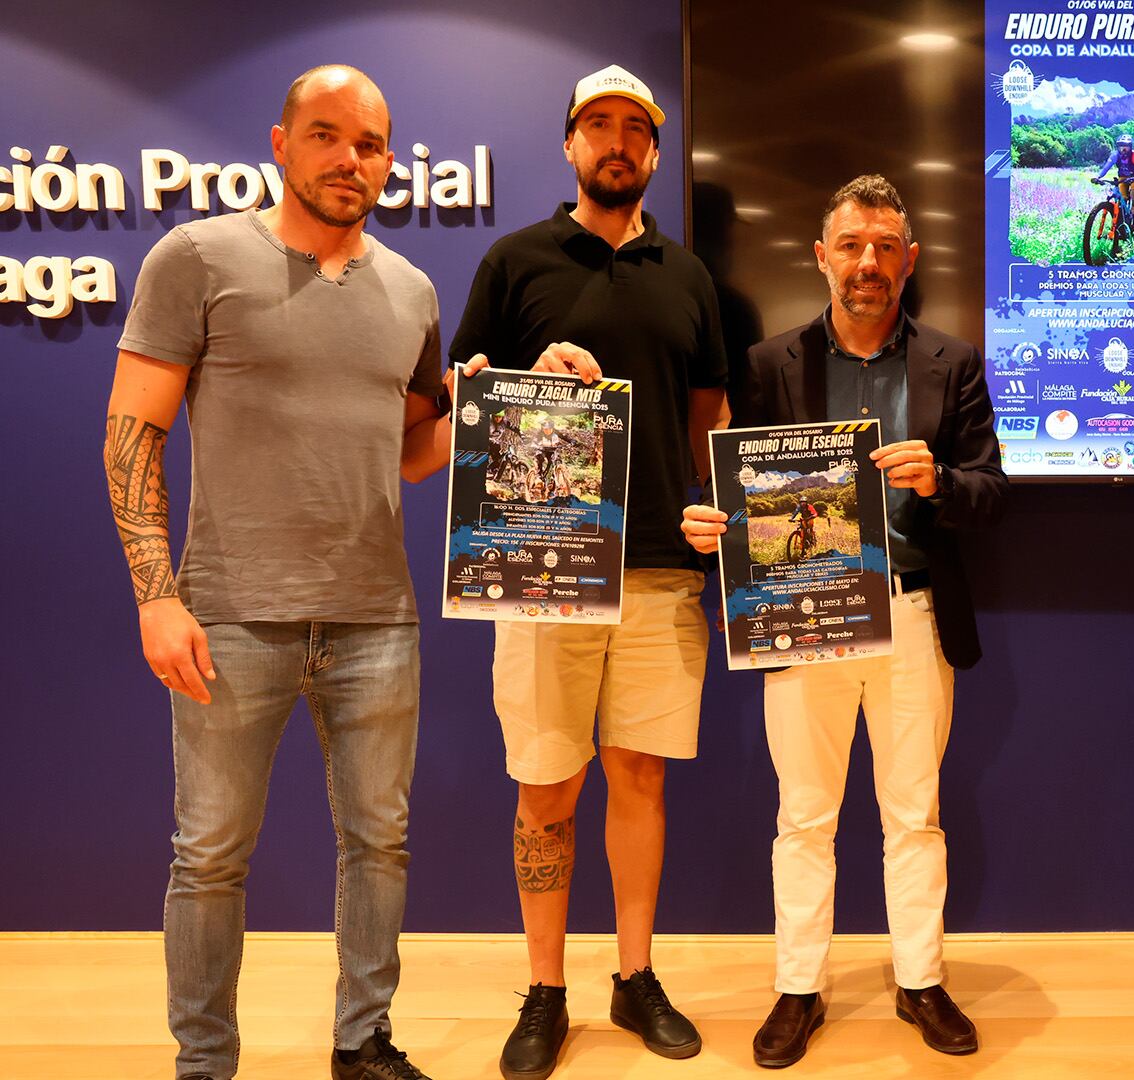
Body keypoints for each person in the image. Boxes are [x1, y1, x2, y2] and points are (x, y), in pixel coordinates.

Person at [104, 64, 466, 1080]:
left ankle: (363, 1041)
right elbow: (132, 433)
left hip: (377, 617)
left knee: (379, 846)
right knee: (210, 856)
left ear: (389, 162)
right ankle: (205, 1063)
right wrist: (156, 596)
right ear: (280, 142)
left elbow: (416, 454)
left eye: (370, 144)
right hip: (230, 616)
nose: (351, 159)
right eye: (326, 135)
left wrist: (484, 407)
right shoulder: (197, 258)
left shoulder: (413, 291)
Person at [680, 174, 1007, 1069]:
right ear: (821, 257)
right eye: (853, 245)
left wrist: (941, 481)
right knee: (803, 816)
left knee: (915, 815)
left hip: (913, 611)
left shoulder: (953, 362)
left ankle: (921, 979)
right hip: (803, 614)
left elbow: (992, 493)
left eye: (886, 247)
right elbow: (738, 492)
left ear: (911, 259)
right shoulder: (766, 365)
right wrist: (712, 527)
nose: (869, 262)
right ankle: (799, 987)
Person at [447, 63, 728, 1080]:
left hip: (661, 571)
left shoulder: (688, 275)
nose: (617, 142)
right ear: (570, 142)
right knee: (547, 785)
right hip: (543, 571)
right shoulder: (514, 261)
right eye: (598, 125)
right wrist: (517, 384)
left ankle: (634, 975)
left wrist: (718, 504)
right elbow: (460, 402)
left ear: (653, 150)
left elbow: (711, 415)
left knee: (640, 779)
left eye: (635, 129)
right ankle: (546, 988)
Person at [1091, 131, 1134, 227]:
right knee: (1122, 198)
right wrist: (1098, 177)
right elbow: (1106, 168)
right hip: (1123, 178)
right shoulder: (1115, 156)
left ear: (1130, 147)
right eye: (1121, 146)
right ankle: (1121, 222)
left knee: (1133, 193)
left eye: (1126, 146)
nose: (1123, 149)